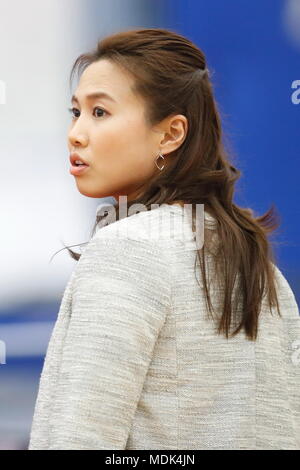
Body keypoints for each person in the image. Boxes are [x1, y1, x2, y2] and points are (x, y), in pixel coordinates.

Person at [28, 28, 300, 450]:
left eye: (100, 112)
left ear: (171, 134)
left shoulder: (127, 249)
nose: (76, 134)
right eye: (75, 112)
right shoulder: (260, 267)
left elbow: (79, 438)